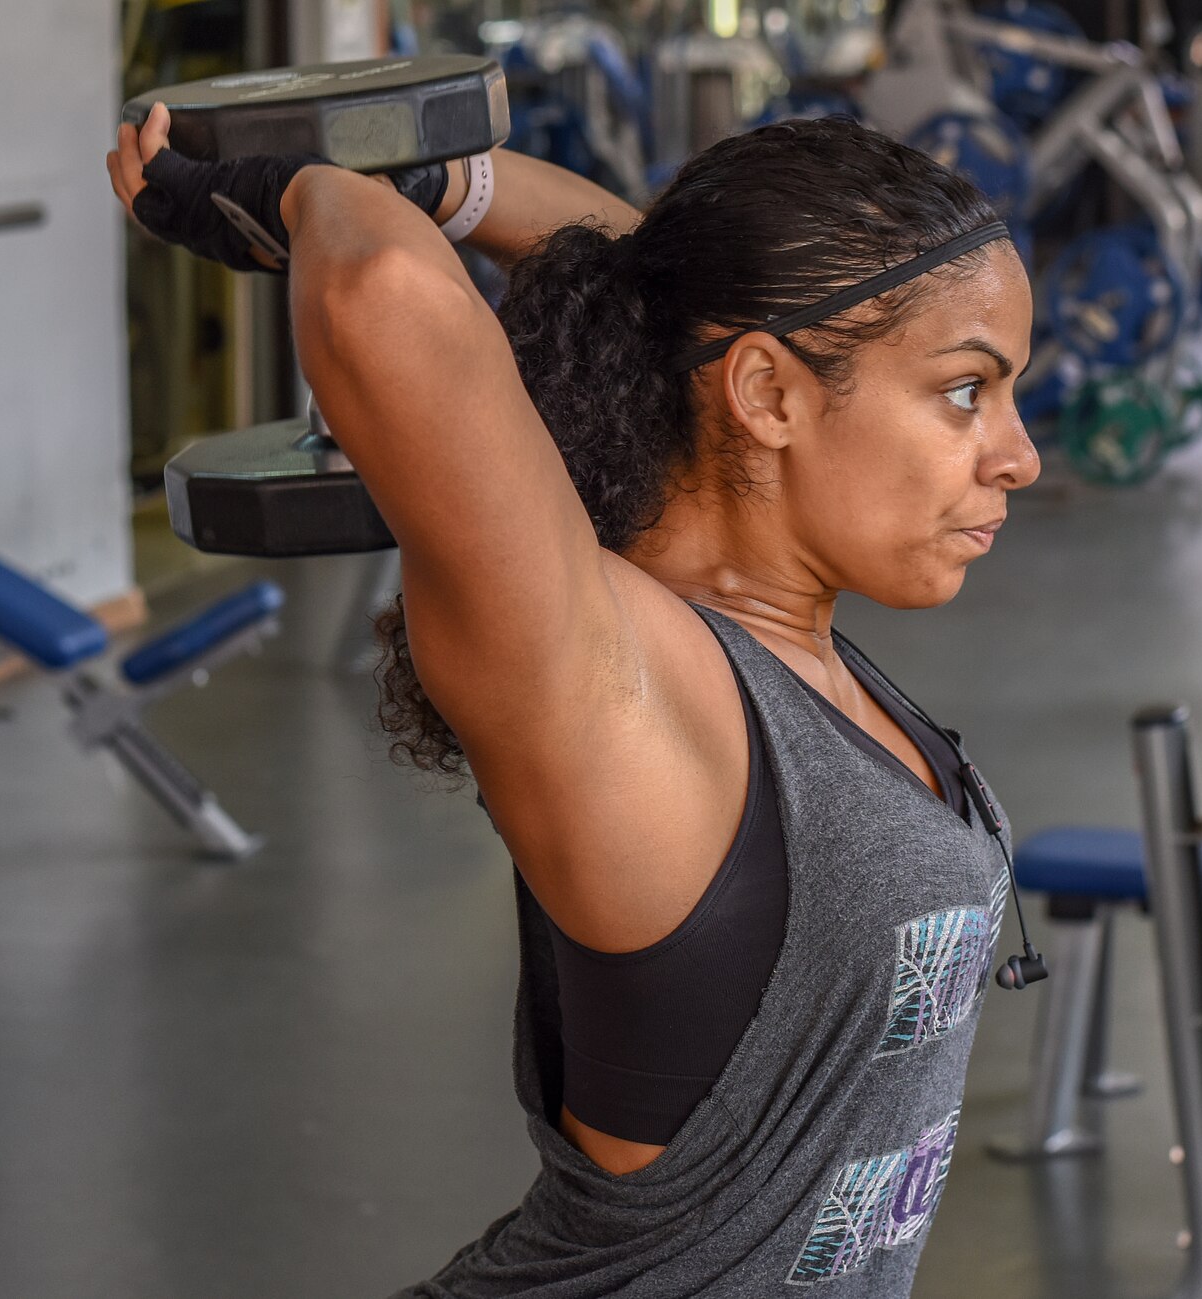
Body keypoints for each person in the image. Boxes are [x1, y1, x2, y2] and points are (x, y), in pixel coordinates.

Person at [107, 104, 1039, 1297]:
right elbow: (382, 287)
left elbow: (678, 283)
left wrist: (451, 180)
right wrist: (305, 192)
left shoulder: (790, 647)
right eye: (966, 392)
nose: (1015, 454)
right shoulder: (618, 680)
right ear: (765, 393)